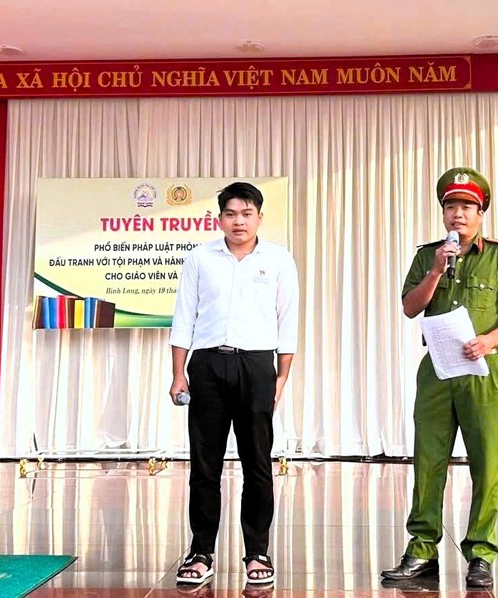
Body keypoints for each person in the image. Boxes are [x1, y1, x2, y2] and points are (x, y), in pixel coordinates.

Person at [382, 167, 498, 589]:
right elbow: (410, 308)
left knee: (486, 464)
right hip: (437, 370)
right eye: (451, 206)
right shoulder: (427, 255)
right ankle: (421, 549)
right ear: (443, 212)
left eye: (467, 206)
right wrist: (435, 270)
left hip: (484, 372)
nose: (458, 214)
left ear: (481, 212)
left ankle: (481, 554)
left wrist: (490, 339)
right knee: (428, 461)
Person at [168, 181, 300, 586]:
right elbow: (183, 317)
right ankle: (201, 552)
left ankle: (257, 552)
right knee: (204, 465)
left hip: (257, 366)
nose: (238, 221)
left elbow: (288, 322)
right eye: (230, 214)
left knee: (257, 464)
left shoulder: (278, 259)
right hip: (207, 365)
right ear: (220, 218)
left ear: (259, 217)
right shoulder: (199, 258)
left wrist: (280, 378)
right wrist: (178, 373)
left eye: (246, 214)